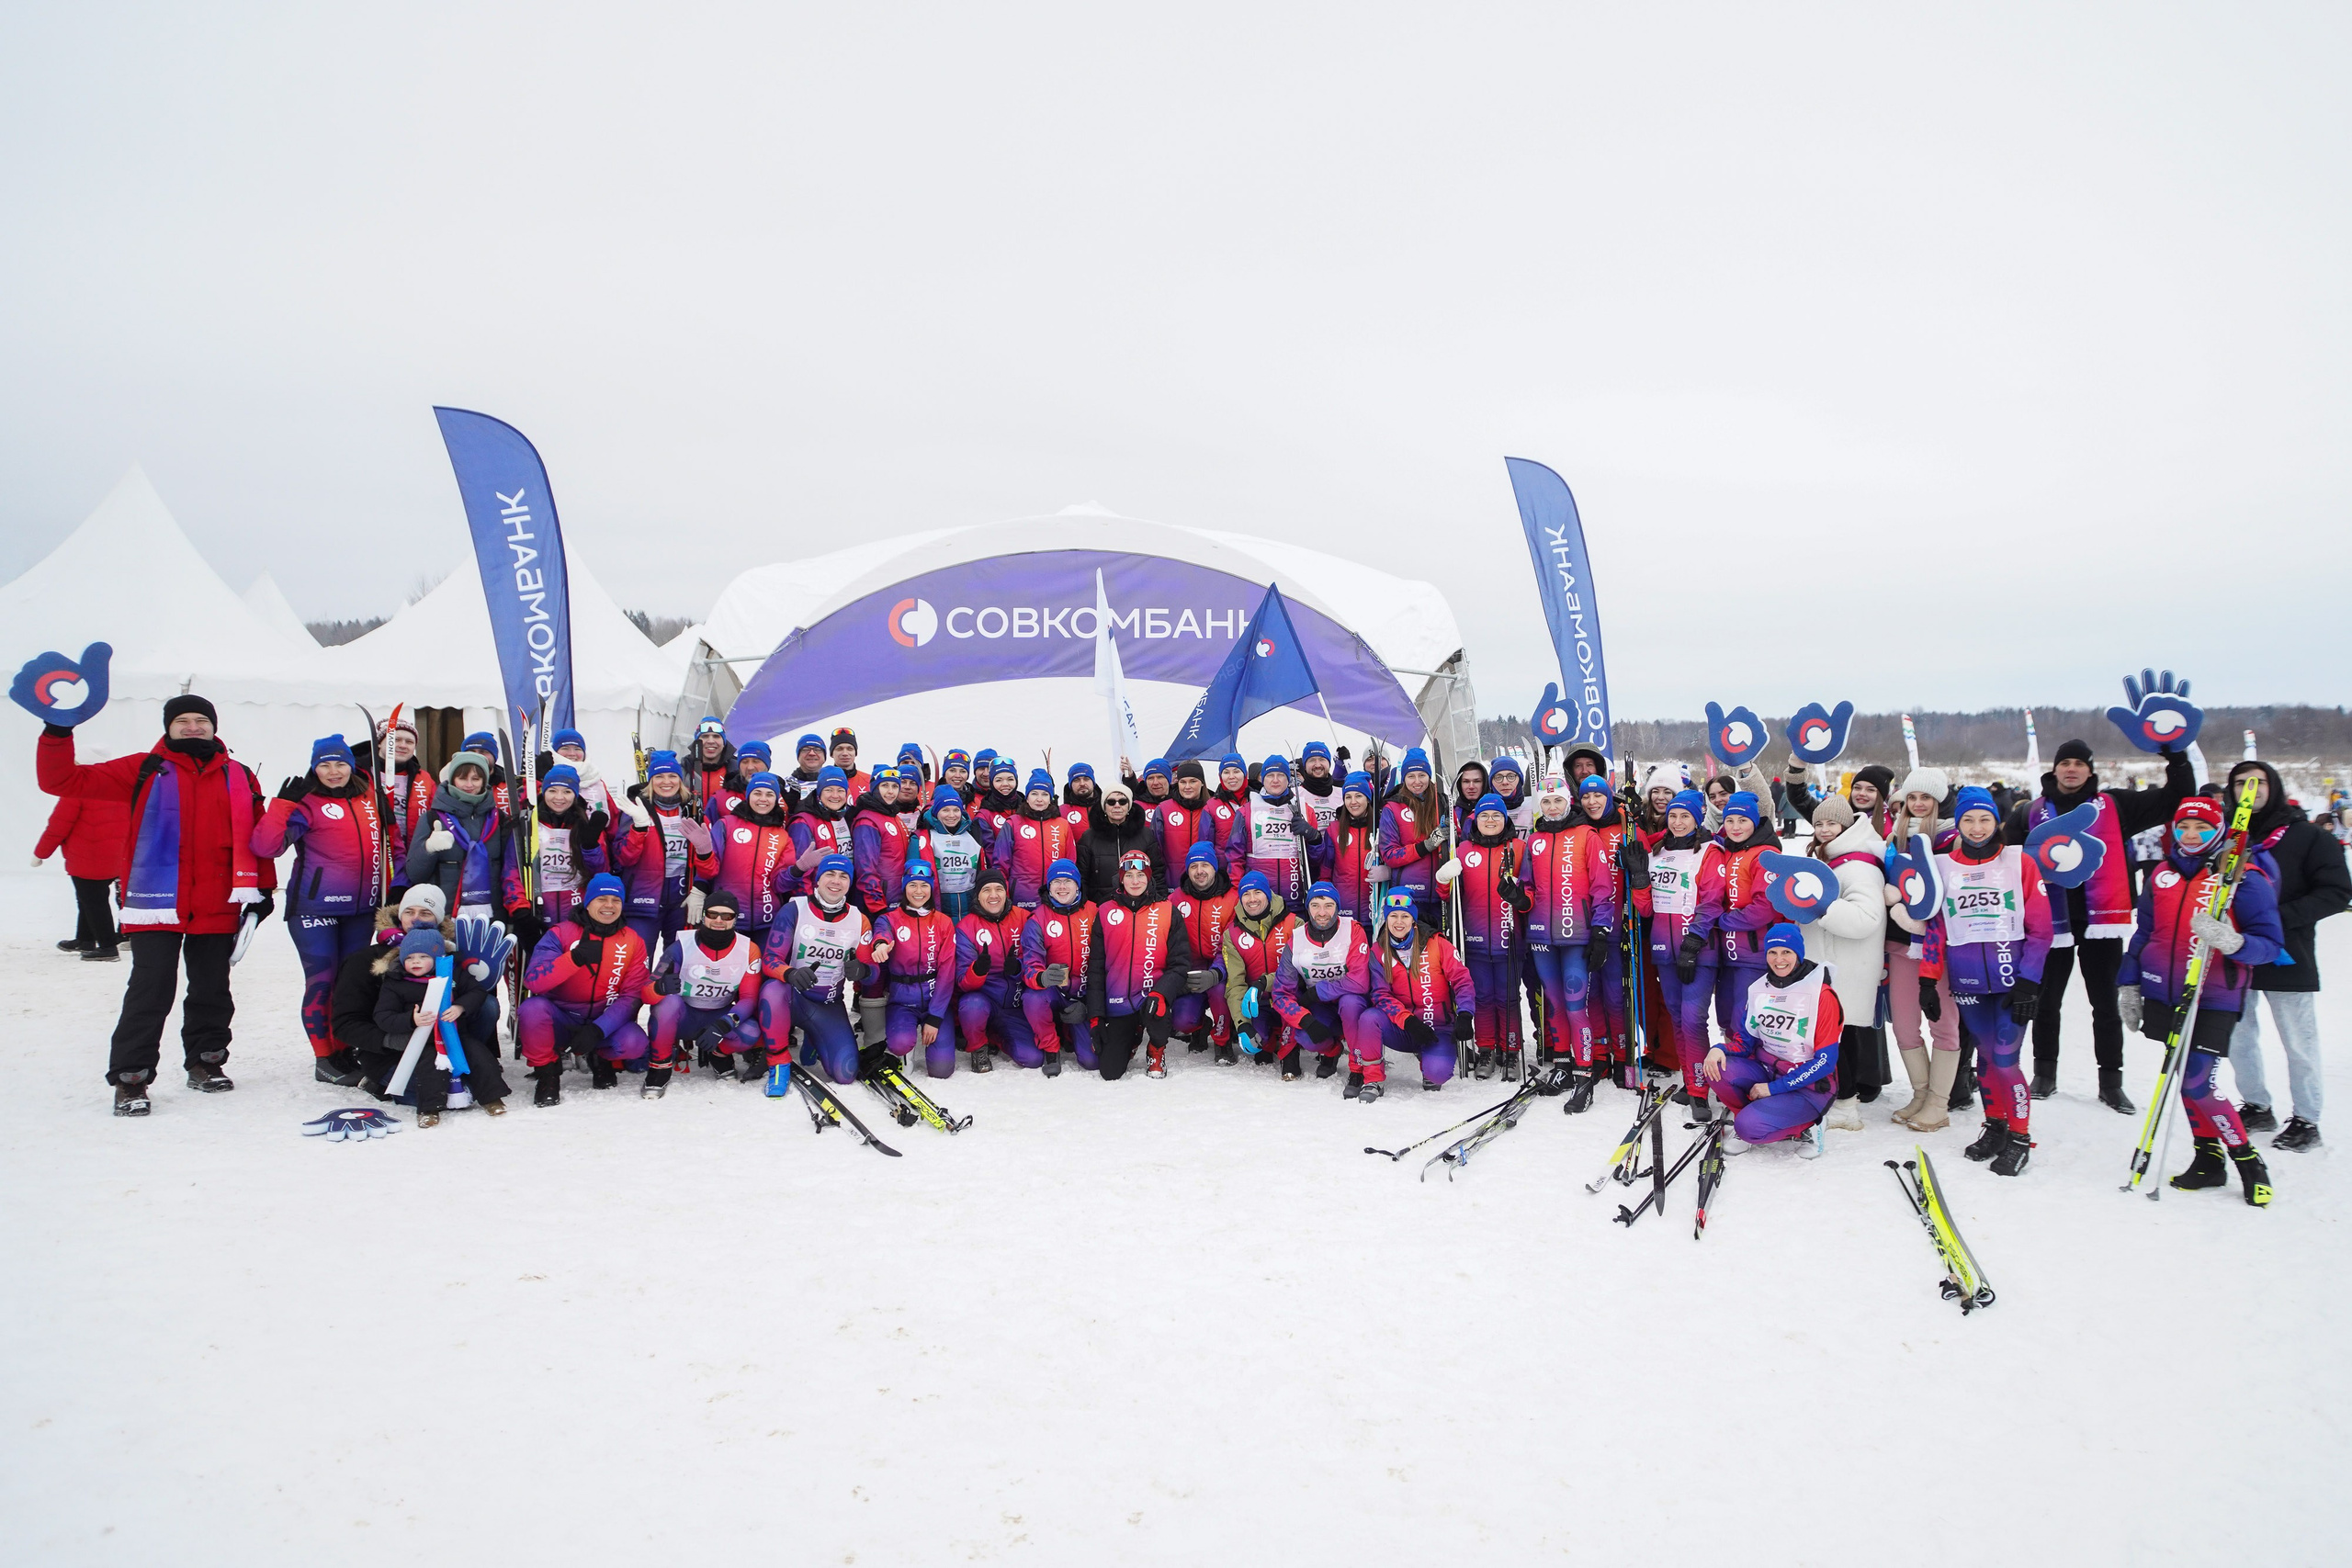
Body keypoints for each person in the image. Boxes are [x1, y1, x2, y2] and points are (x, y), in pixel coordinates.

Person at [38, 693, 277, 1115]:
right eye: (181, 719)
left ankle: (206, 1062)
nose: (192, 727)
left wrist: (261, 892)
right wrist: (58, 732)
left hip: (218, 899)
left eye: (200, 719)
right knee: (150, 989)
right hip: (154, 902)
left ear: (214, 726)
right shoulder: (142, 768)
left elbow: (255, 836)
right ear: (167, 726)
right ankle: (131, 1077)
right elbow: (62, 782)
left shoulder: (239, 774)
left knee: (211, 989)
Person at [2004, 735, 2194, 1111]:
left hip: (2102, 920)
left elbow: (2177, 799)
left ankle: (2111, 1080)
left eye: (2079, 763)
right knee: (2045, 1001)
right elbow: (2009, 858)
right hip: (2051, 920)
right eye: (2065, 763)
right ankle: (2044, 1072)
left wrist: (2175, 755)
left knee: (2105, 1002)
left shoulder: (2116, 805)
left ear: (2090, 770)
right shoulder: (2030, 812)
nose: (2071, 769)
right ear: (2054, 769)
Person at [2126, 795, 2285, 1206]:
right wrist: (2128, 983)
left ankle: (2248, 1161)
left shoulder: (2243, 879)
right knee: (2182, 1078)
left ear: (2219, 830)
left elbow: (2270, 944)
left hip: (2214, 995)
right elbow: (2144, 932)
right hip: (2163, 989)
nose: (2191, 834)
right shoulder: (2161, 873)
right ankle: (2208, 1159)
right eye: (2183, 826)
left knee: (2199, 1082)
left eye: (2201, 827)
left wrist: (2234, 943)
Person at [1891, 787, 2051, 1171]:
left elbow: (2042, 929)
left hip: (2012, 982)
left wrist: (2029, 980)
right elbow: (1936, 930)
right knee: (1984, 1063)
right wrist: (1928, 981)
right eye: (1968, 820)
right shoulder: (1945, 866)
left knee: (2006, 1061)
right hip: (1968, 984)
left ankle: (2020, 1136)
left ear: (1996, 821)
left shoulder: (2020, 862)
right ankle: (1994, 1126)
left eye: (1984, 819)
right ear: (1957, 824)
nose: (1977, 828)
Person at [253, 735, 393, 1084]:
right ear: (315, 768)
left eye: (340, 764)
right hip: (315, 911)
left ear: (351, 765)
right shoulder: (306, 803)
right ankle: (324, 1058)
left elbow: (394, 845)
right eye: (325, 765)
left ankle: (346, 1048)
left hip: (361, 910)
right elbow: (265, 847)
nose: (333, 772)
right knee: (322, 983)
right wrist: (282, 805)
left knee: (353, 985)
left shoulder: (368, 797)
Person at [2224, 760, 2348, 1150]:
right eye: (2241, 783)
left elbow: (2336, 891)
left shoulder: (2308, 836)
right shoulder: (2229, 837)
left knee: (2298, 1041)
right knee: (2237, 1037)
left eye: (2258, 783)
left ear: (2273, 787)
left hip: (2286, 954)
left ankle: (2306, 1119)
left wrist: (2277, 919)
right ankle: (2257, 1104)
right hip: (2236, 954)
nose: (2250, 790)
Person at [330, 883, 504, 1103]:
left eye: (425, 913)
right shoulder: (366, 960)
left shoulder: (450, 955)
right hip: (392, 1050)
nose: (416, 919)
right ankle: (382, 1079)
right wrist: (393, 1040)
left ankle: (467, 1066)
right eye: (409, 912)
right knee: (438, 1095)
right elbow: (345, 1024)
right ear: (399, 915)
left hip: (448, 1044)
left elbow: (476, 1001)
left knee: (487, 1004)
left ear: (438, 919)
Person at [518, 873, 652, 1105]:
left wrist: (598, 1030)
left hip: (602, 1018)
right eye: (602, 899)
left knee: (634, 1043)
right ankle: (547, 1073)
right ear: (588, 902)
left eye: (616, 900)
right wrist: (574, 959)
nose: (609, 906)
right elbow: (533, 981)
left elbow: (631, 996)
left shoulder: (632, 941)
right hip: (561, 1016)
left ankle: (599, 1057)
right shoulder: (561, 933)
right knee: (532, 1009)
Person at [1703, 923, 1836, 1157]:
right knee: (1716, 1067)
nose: (1779, 959)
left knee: (1748, 1128)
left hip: (1809, 1087)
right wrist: (1718, 1048)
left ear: (1798, 954)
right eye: (1772, 952)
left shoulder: (1821, 995)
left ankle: (1812, 1125)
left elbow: (1825, 1062)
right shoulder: (1758, 990)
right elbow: (1744, 1044)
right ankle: (1757, 1114)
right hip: (1769, 1073)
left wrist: (1774, 1089)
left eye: (1787, 952)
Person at [1801, 794, 1891, 1130]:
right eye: (1819, 823)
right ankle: (1838, 1098)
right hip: (1832, 966)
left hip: (1847, 969)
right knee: (1834, 1038)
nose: (1824, 830)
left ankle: (1846, 1106)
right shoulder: (1832, 859)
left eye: (1831, 823)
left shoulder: (1860, 866)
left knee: (1841, 1039)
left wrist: (1821, 906)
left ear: (1847, 825)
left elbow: (1866, 918)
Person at [1629, 788, 1723, 1106]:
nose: (1678, 822)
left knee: (1694, 1019)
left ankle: (1700, 1091)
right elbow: (1645, 909)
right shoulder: (1657, 852)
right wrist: (1640, 877)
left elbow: (1712, 902)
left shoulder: (1710, 852)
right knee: (1678, 1019)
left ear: (1697, 820)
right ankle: (1692, 1078)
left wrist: (1693, 942)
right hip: (1663, 950)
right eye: (1673, 816)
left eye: (1685, 816)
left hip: (1698, 950)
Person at [1521, 773, 1616, 1083]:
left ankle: (1584, 1065)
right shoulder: (1534, 841)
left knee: (1576, 1005)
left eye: (1557, 801)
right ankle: (1562, 1061)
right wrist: (1517, 895)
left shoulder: (1587, 836)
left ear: (1568, 801)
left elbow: (1603, 889)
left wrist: (1600, 931)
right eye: (1545, 802)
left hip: (1576, 934)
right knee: (1554, 1002)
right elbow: (1527, 888)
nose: (1551, 807)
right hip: (1541, 937)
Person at [1882, 767, 1962, 1127]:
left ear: (1937, 801)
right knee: (1903, 1025)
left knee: (1943, 1023)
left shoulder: (1949, 840)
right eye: (1912, 797)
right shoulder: (1893, 839)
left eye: (1925, 798)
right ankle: (1920, 1093)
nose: (1917, 804)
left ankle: (1939, 1103)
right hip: (1899, 945)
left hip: (1934, 947)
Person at [759, 853, 876, 1086]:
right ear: (818, 879)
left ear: (849, 883)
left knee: (845, 1073)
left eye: (843, 876)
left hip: (827, 1004)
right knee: (772, 990)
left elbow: (873, 972)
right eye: (829, 874)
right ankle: (779, 1062)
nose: (836, 881)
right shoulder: (794, 909)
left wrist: (863, 972)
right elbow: (770, 959)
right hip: (794, 999)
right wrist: (790, 973)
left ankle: (815, 1037)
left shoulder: (859, 919)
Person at [370, 925, 506, 1125]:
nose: (415, 961)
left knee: (479, 1057)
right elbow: (383, 1016)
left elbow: (477, 992)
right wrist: (411, 1020)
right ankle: (429, 1109)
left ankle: (492, 1098)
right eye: (409, 958)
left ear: (437, 957)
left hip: (456, 1034)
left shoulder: (453, 974)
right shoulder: (395, 982)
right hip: (423, 1040)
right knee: (430, 1068)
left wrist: (460, 1007)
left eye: (423, 957)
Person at [1082, 850, 1196, 1080]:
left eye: (1141, 875)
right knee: (1109, 1072)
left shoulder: (1167, 910)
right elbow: (1095, 968)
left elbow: (1180, 964)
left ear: (1149, 877)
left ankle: (1156, 1048)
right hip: (1118, 1002)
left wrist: (1162, 992)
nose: (1135, 881)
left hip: (1153, 998)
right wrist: (1096, 1017)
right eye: (1129, 875)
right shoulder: (1105, 912)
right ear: (1121, 879)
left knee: (1158, 1010)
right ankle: (1133, 1034)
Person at [1268, 879, 1384, 1092]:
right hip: (1322, 1009)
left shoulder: (1353, 930)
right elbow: (1281, 993)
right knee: (1305, 1035)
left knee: (1350, 1002)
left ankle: (1357, 1069)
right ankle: (1332, 1051)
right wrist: (1306, 1020)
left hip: (1351, 1003)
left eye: (1328, 906)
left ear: (1337, 908)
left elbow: (1359, 981)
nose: (1322, 912)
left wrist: (1318, 991)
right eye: (1315, 906)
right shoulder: (1296, 940)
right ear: (1308, 908)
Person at [644, 887, 764, 1092]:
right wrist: (659, 987)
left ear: (735, 919)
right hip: (684, 1017)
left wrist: (724, 1025)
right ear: (703, 916)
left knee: (751, 1031)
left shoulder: (749, 949)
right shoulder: (682, 945)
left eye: (726, 915)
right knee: (667, 1003)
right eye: (712, 914)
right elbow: (646, 993)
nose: (719, 920)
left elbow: (749, 999)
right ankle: (659, 1067)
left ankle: (718, 1054)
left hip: (718, 1015)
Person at [1363, 889, 1476, 1096]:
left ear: (1413, 919)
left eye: (1405, 916)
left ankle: (1428, 1059)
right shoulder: (1379, 951)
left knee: (1437, 1074)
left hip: (1437, 1027)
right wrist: (1409, 1022)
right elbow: (1381, 995)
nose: (1399, 922)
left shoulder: (1437, 944)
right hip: (1404, 1026)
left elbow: (1462, 980)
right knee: (1369, 1018)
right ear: (1386, 919)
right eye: (1393, 916)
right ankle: (1372, 1079)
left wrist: (1465, 1013)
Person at [610, 749, 717, 961]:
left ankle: (668, 996)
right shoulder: (637, 810)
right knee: (638, 961)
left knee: (677, 962)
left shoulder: (692, 811)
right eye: (659, 776)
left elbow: (710, 867)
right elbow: (624, 858)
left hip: (681, 899)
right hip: (643, 899)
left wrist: (699, 886)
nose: (666, 782)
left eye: (672, 776)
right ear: (650, 781)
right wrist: (639, 828)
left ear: (680, 779)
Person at [404, 748, 525, 923]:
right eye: (462, 778)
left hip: (491, 916)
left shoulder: (500, 820)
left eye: (476, 779)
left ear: (484, 781)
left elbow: (511, 870)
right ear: (452, 779)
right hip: (445, 916)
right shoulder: (433, 818)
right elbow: (415, 874)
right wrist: (428, 849)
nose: (469, 784)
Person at [1576, 773, 1636, 1077]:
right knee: (1592, 994)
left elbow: (1644, 862)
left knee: (1615, 994)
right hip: (1584, 923)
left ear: (1609, 796)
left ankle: (1623, 1052)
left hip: (1617, 922)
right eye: (1586, 796)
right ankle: (1600, 1053)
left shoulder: (1623, 824)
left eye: (1598, 795)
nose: (1592, 801)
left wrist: (1634, 864)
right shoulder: (1580, 829)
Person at [512, 762, 612, 944]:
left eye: (567, 792)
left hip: (576, 911)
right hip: (538, 911)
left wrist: (590, 847)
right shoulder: (528, 825)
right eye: (553, 791)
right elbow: (512, 870)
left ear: (575, 795)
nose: (559, 798)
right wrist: (520, 911)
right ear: (544, 792)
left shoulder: (585, 824)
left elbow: (600, 872)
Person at [954, 869, 1039, 1071]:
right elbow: (962, 982)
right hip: (984, 1000)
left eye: (999, 889)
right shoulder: (966, 927)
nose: (994, 895)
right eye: (987, 890)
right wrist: (977, 970)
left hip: (1015, 1004)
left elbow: (1038, 959)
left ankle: (996, 1036)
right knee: (971, 1005)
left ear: (1006, 892)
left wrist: (1018, 967)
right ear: (978, 895)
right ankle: (978, 1047)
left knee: (1033, 1058)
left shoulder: (1024, 918)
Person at [1020, 860, 1096, 1072]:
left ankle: (1072, 1032)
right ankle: (1051, 1049)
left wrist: (1089, 1003)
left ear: (1077, 885)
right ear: (1049, 886)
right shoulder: (1038, 918)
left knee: (1092, 1062)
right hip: (1055, 992)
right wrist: (1042, 977)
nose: (1062, 887)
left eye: (1068, 881)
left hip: (1086, 994)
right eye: (1056, 882)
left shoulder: (1094, 912)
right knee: (1032, 998)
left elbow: (1108, 962)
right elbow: (1030, 964)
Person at [707, 771, 797, 946]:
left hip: (767, 920)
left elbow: (780, 884)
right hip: (727, 917)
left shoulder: (782, 836)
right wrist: (703, 853)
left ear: (776, 799)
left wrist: (797, 870)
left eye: (769, 794)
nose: (763, 799)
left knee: (763, 970)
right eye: (757, 793)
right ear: (748, 796)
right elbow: (710, 870)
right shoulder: (726, 824)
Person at [37, 784, 127, 960]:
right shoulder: (115, 788)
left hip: (87, 856)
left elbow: (58, 826)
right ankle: (85, 939)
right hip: (116, 855)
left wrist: (41, 853)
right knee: (88, 898)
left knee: (94, 901)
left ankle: (108, 947)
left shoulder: (76, 791)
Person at [1168, 841, 1238, 1059]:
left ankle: (1222, 1041)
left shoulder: (1233, 898)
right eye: (1193, 866)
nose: (1199, 871)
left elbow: (1234, 944)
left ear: (1214, 867)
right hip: (1191, 968)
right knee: (1182, 1021)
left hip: (1223, 968)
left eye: (1205, 865)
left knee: (1219, 992)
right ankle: (1200, 1026)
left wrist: (1218, 971)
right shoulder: (1175, 899)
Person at [1221, 871, 1295, 1069]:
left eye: (1258, 892)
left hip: (1289, 998)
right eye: (1246, 894)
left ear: (1268, 895)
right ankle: (1269, 1041)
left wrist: (1264, 982)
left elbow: (1298, 971)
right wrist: (1242, 1024)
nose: (1252, 899)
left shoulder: (1293, 924)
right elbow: (1235, 983)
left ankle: (1291, 1051)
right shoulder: (1232, 934)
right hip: (1256, 1004)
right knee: (1258, 1042)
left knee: (1292, 1012)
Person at [1229, 753, 1324, 907]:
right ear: (1263, 779)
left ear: (1288, 778)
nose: (1275, 780)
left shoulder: (1305, 809)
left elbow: (1316, 861)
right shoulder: (1246, 811)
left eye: (1280, 775)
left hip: (1296, 897)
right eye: (1270, 775)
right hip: (1259, 900)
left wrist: (1314, 838)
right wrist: (1238, 892)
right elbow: (1234, 857)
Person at [1377, 748, 1447, 930]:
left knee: (1435, 953)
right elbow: (1390, 855)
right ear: (1404, 778)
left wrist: (1453, 834)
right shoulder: (1392, 808)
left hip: (1441, 894)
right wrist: (1426, 845)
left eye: (1422, 775)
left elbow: (1458, 843)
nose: (1417, 782)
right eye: (1411, 776)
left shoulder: (1443, 803)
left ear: (1429, 776)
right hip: (1407, 896)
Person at [996, 770, 1079, 909]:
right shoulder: (1013, 823)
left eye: (1045, 794)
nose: (1039, 799)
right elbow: (1001, 864)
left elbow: (1071, 862)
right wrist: (1005, 895)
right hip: (1021, 898)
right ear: (1027, 797)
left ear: (1051, 798)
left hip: (1057, 896)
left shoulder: (1062, 824)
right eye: (1034, 794)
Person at [368, 712, 433, 890]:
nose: (403, 745)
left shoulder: (424, 779)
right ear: (380, 742)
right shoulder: (362, 774)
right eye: (396, 740)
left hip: (410, 858)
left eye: (409, 742)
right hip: (372, 860)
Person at [1075, 779, 1163, 904]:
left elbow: (1157, 872)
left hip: (1140, 905)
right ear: (1104, 807)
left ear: (1129, 806)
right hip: (1101, 905)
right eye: (1111, 802)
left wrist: (1158, 900)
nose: (1117, 806)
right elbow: (1082, 877)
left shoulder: (1146, 835)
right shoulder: (1089, 838)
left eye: (1122, 801)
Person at [1322, 771, 1386, 928]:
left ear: (1368, 798)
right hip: (1343, 913)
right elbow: (1325, 872)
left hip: (1375, 911)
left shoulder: (1381, 829)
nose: (1353, 802)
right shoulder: (1334, 830)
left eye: (1359, 796)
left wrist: (1388, 871)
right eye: (1348, 797)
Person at [913, 785, 989, 919]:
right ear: (936, 812)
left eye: (956, 810)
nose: (952, 815)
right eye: (945, 810)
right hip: (938, 904)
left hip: (970, 903)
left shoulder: (972, 833)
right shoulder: (922, 837)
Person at [783, 765, 855, 904]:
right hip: (815, 901)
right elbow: (800, 871)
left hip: (841, 896)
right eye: (828, 790)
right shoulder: (803, 822)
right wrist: (808, 904)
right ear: (819, 793)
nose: (835, 795)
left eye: (840, 790)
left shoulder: (847, 817)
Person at [850, 764, 913, 916]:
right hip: (877, 904)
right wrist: (877, 905)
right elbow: (865, 868)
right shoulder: (867, 821)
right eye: (885, 786)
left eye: (894, 786)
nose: (891, 792)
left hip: (897, 899)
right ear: (874, 787)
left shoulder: (893, 815)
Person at [1148, 761, 1216, 872]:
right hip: (1171, 880)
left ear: (1202, 782)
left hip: (1204, 879)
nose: (1187, 787)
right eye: (1183, 782)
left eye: (1193, 781)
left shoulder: (1212, 808)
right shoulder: (1163, 809)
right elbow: (1155, 851)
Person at [683, 717, 737, 817]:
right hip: (691, 828)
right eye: (705, 736)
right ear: (697, 742)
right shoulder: (685, 768)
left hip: (725, 829)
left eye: (716, 736)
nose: (711, 741)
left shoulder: (736, 770)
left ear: (724, 742)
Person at [973, 758, 1024, 841]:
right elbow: (987, 850)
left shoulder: (1027, 809)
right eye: (998, 780)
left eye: (1010, 779)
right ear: (991, 783)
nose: (1005, 784)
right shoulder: (984, 816)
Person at [828, 728, 872, 796]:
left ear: (855, 753)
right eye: (839, 749)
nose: (845, 753)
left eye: (850, 749)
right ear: (832, 754)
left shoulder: (870, 781)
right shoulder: (823, 780)